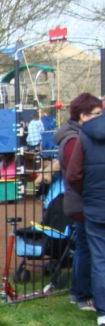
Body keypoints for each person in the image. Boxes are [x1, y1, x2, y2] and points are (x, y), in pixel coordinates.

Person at [54, 93, 102, 312]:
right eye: (97, 114)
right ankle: (83, 294)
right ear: (84, 116)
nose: (101, 117)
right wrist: (89, 193)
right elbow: (76, 174)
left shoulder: (76, 135)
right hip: (82, 201)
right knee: (86, 249)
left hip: (83, 199)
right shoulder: (74, 139)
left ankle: (78, 292)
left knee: (85, 247)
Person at [66, 111, 105, 326]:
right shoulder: (87, 133)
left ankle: (103, 312)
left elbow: (74, 175)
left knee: (99, 259)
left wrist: (88, 194)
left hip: (95, 206)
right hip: (95, 203)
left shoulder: (86, 132)